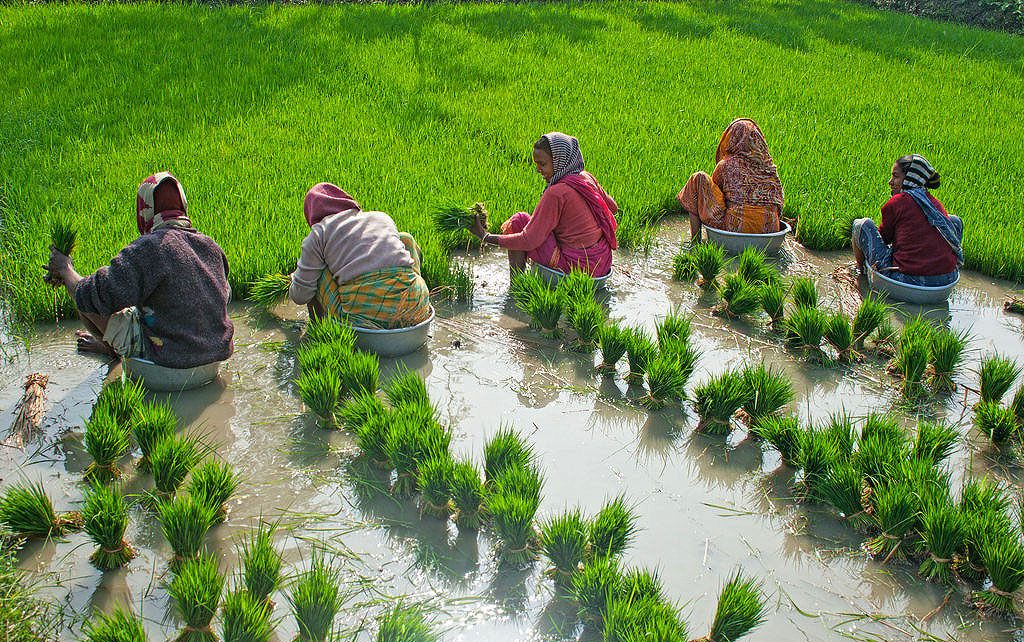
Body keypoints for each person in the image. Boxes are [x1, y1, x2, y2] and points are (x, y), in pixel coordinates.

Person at [45, 172, 234, 368]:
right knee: (139, 306)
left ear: (145, 210)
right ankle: (111, 347)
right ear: (183, 206)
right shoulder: (211, 246)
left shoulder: (150, 247)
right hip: (215, 361)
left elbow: (93, 294)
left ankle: (112, 350)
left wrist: (66, 270)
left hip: (167, 367)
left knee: (86, 297)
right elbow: (224, 296)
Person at [468, 132, 618, 278]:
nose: (539, 170)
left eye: (543, 164)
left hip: (579, 270)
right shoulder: (585, 178)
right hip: (602, 263)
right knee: (540, 225)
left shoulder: (556, 193)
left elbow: (529, 240)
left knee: (519, 221)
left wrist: (485, 236)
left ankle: (517, 289)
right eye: (537, 164)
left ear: (559, 161)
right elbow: (613, 208)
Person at [288, 182, 432, 329]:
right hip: (416, 308)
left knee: (319, 271)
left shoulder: (319, 234)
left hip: (365, 318)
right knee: (406, 239)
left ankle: (319, 331)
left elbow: (301, 296)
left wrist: (294, 281)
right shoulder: (381, 217)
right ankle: (414, 295)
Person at [852, 154, 962, 286]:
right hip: (946, 281)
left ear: (909, 179)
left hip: (905, 282)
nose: (890, 182)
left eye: (896, 176)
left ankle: (861, 272)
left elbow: (885, 239)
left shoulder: (896, 202)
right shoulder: (933, 203)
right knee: (954, 221)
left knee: (862, 224)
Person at [677, 118, 785, 240]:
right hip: (770, 231)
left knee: (697, 179)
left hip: (736, 230)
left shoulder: (726, 165)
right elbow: (779, 203)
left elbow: (717, 196)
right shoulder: (769, 167)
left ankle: (695, 241)